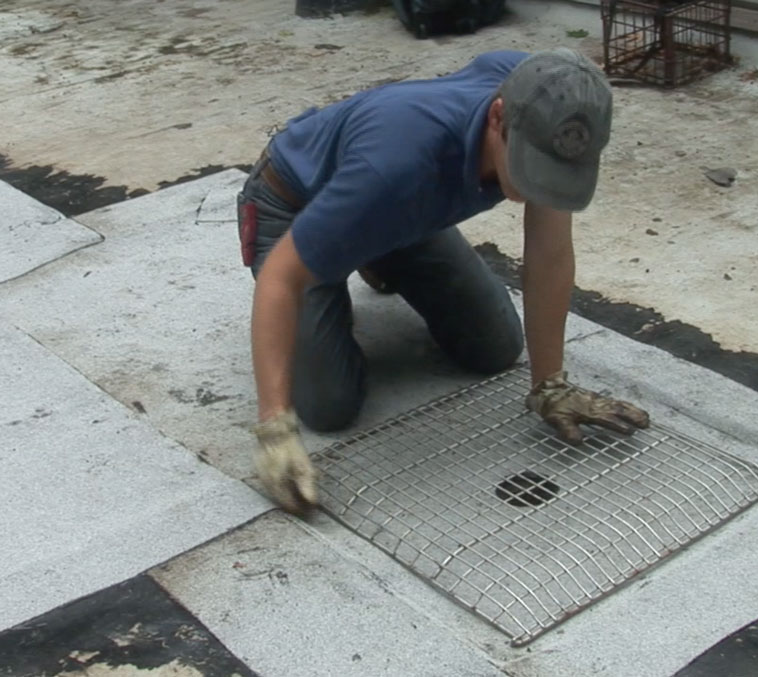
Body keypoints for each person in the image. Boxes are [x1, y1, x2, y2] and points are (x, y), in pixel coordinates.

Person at [238, 48, 651, 515]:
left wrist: (550, 384)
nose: (541, 187)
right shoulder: (397, 164)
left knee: (494, 347)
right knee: (331, 405)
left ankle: (375, 249)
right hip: (296, 203)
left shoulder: (545, 104)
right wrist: (273, 428)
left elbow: (550, 253)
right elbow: (280, 277)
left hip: (399, 206)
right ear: (498, 117)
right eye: (532, 169)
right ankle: (349, 251)